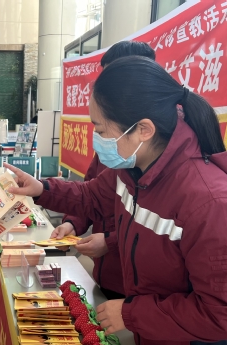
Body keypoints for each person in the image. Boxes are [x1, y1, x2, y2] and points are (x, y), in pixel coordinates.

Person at [5, 56, 227, 345]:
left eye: (100, 128)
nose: (96, 137)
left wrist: (132, 314)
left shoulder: (210, 201)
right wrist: (43, 189)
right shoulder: (133, 170)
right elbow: (91, 197)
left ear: (142, 129)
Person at [53, 41, 156, 300]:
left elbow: (155, 231)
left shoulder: (163, 158)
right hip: (106, 276)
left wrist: (110, 242)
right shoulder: (113, 141)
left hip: (141, 291)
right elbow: (90, 193)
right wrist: (72, 223)